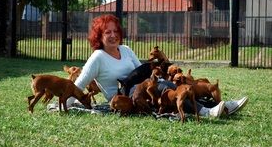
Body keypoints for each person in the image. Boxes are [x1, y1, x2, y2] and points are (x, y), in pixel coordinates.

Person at [67, 14, 248, 117]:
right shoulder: (97, 57)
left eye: (116, 31)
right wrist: (64, 103)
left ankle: (218, 105)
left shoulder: (126, 49)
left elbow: (144, 73)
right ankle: (207, 112)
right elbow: (76, 86)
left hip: (142, 85)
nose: (113, 35)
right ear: (99, 36)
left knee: (175, 85)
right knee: (163, 88)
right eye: (108, 32)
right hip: (125, 95)